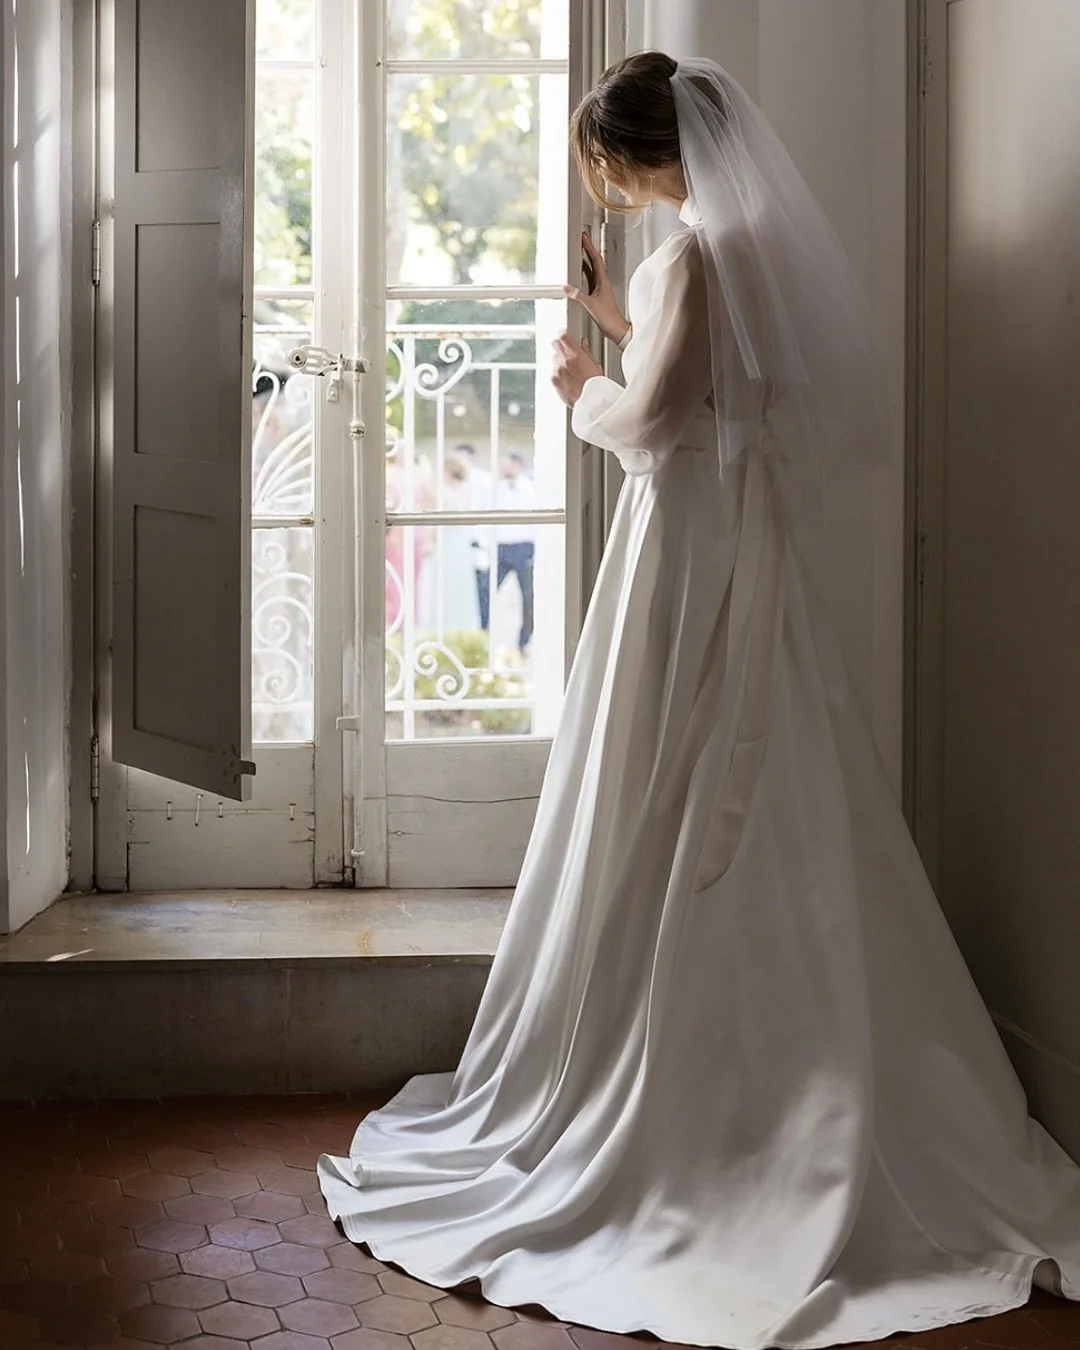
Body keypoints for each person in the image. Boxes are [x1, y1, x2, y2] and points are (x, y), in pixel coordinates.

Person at [319, 53, 1080, 1346]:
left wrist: (575, 392)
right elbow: (710, 379)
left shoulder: (699, 255)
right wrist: (618, 321)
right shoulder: (735, 246)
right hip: (739, 549)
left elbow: (655, 417)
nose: (600, 187)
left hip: (684, 553)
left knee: (663, 780)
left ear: (627, 155)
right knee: (767, 780)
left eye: (598, 166)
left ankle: (686, 1090)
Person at [494, 451, 536, 656]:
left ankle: (524, 640)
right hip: (501, 547)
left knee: (528, 596)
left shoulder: (530, 488)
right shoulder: (498, 489)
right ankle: (484, 633)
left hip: (523, 546)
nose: (503, 469)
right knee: (487, 590)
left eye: (506, 464)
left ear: (517, 465)